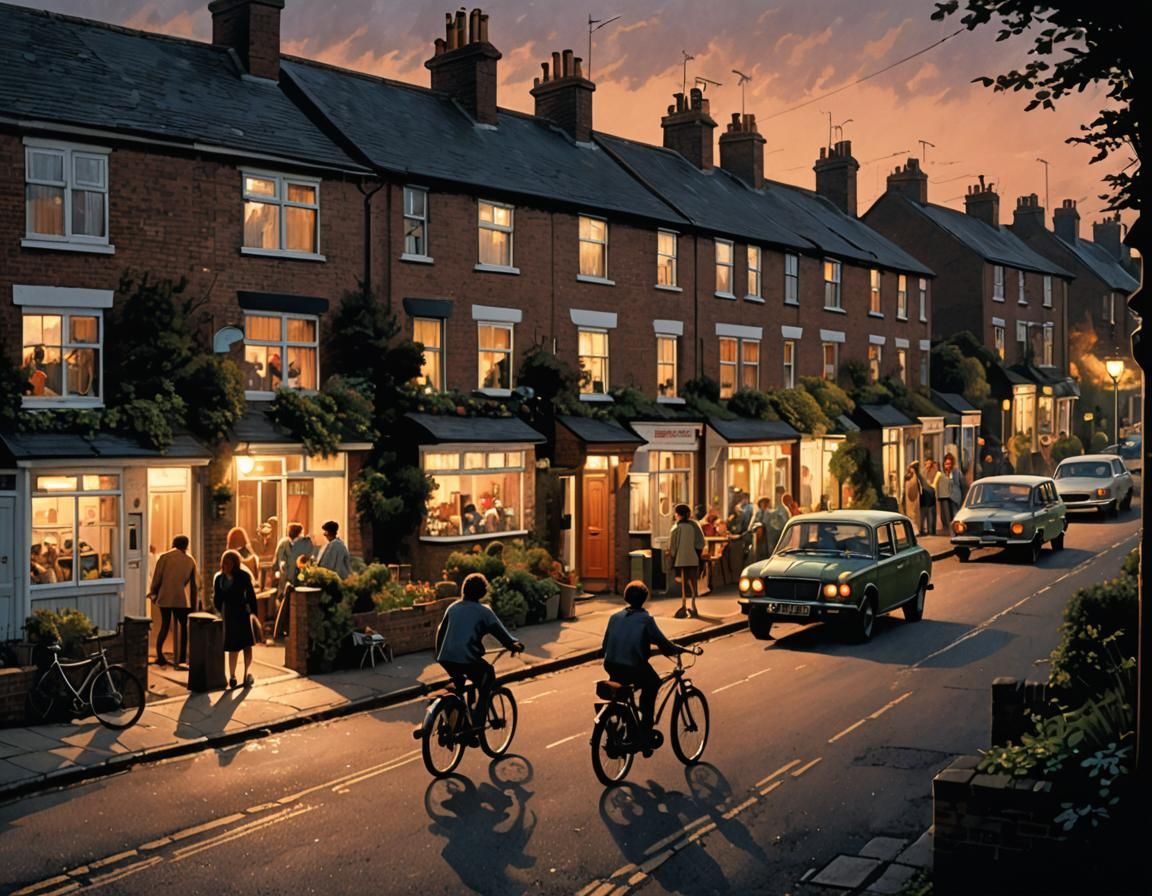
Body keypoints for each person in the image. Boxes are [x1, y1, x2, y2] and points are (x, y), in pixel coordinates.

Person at [601, 580, 691, 748]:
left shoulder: (614, 617)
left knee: (624, 691)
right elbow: (662, 643)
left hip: (611, 663)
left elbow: (604, 646)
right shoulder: (645, 619)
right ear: (645, 598)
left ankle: (626, 724)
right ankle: (645, 729)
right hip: (633, 666)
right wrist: (676, 649)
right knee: (652, 684)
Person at [434, 573, 524, 727]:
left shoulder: (452, 608)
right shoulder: (484, 611)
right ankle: (477, 724)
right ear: (483, 592)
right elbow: (501, 634)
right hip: (466, 657)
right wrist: (514, 645)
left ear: (464, 590)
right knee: (487, 676)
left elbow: (440, 633)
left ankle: (455, 720)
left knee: (459, 682)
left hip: (445, 657)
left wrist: (440, 655)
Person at [148, 535, 199, 668]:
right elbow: (194, 584)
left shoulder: (164, 557)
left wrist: (153, 592)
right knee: (183, 627)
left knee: (164, 625)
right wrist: (194, 604)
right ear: (186, 545)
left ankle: (160, 655)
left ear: (173, 544)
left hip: (164, 596)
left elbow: (157, 577)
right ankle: (182, 658)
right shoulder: (190, 560)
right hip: (181, 598)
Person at [213, 549, 259, 689]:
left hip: (242, 613)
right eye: (224, 563)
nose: (225, 565)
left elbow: (251, 595)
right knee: (232, 646)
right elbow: (217, 598)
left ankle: (246, 673)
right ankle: (232, 676)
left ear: (235, 563)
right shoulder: (219, 579)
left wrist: (253, 611)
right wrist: (220, 611)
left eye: (228, 563)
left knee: (246, 645)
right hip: (229, 614)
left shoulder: (243, 576)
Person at [668, 503, 705, 619]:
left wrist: (672, 555)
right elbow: (701, 542)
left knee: (684, 582)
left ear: (678, 515)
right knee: (693, 581)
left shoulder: (676, 528)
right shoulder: (695, 525)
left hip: (680, 559)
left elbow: (673, 546)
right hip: (693, 557)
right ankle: (693, 605)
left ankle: (683, 605)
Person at [938, 453, 968, 528]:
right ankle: (951, 530)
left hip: (955, 498)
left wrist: (964, 498)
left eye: (949, 464)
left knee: (956, 515)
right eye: (946, 464)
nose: (948, 466)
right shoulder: (942, 474)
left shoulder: (957, 472)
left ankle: (957, 531)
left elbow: (963, 485)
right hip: (945, 497)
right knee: (947, 517)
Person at [920, 459, 939, 536]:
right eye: (927, 463)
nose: (928, 465)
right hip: (924, 494)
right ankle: (924, 529)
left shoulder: (934, 472)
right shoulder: (922, 472)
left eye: (929, 463)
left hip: (931, 494)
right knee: (924, 513)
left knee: (931, 513)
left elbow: (933, 483)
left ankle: (931, 530)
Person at [902, 463, 922, 531]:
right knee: (912, 515)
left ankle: (913, 530)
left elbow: (912, 489)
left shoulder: (912, 477)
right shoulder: (912, 476)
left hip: (912, 500)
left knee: (912, 515)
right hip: (910, 500)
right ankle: (913, 530)